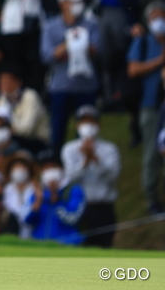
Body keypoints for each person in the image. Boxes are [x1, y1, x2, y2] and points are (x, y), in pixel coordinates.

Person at [41, 0, 101, 153]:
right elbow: (46, 56)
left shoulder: (91, 25)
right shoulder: (51, 27)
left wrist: (83, 42)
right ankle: (55, 167)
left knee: (86, 133)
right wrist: (67, 43)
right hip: (61, 87)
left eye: (80, 1)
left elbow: (98, 52)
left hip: (86, 87)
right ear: (63, 3)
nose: (79, 5)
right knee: (57, 133)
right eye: (75, 1)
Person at [61, 105, 120, 248]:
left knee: (105, 248)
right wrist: (85, 162)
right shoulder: (69, 149)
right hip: (79, 208)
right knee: (81, 250)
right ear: (77, 125)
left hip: (104, 207)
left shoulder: (109, 149)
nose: (88, 126)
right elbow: (69, 178)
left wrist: (95, 158)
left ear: (98, 124)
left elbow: (113, 175)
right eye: (83, 122)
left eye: (91, 122)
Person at [128, 2, 165, 214]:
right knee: (152, 152)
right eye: (155, 17)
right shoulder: (142, 42)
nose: (160, 21)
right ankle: (152, 200)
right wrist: (160, 61)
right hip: (150, 106)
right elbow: (132, 69)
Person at [24, 158, 85, 245]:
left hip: (67, 244)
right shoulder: (39, 192)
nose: (50, 171)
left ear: (61, 169)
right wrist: (37, 203)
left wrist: (57, 202)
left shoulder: (73, 190)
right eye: (46, 168)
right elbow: (27, 221)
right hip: (40, 244)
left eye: (53, 167)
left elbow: (73, 218)